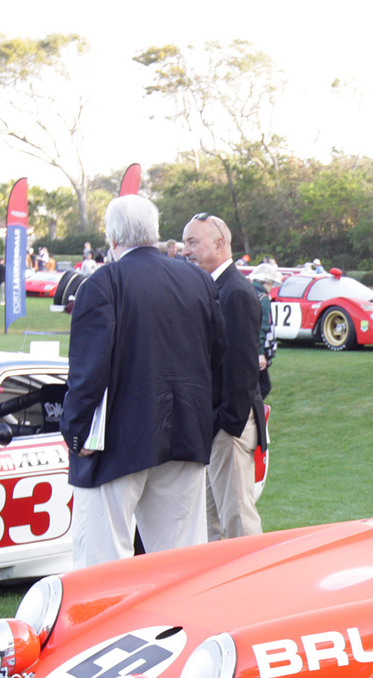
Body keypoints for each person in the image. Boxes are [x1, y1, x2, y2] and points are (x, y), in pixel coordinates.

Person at [60, 194, 226, 569]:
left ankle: (105, 628)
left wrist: (75, 431)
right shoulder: (197, 280)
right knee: (181, 561)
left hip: (120, 438)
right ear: (153, 233)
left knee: (102, 559)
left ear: (113, 238)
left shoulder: (104, 284)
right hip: (185, 432)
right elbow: (217, 355)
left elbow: (88, 370)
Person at [183, 212, 267, 542]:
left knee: (237, 520)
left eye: (193, 242)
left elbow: (242, 369)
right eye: (185, 242)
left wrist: (227, 426)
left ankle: (252, 587)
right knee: (211, 521)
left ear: (219, 244)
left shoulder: (236, 293)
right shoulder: (215, 287)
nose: (185, 250)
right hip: (215, 426)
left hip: (229, 427)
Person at [249, 262, 282, 398]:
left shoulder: (249, 292)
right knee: (263, 387)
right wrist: (260, 353)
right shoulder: (263, 299)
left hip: (247, 346)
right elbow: (262, 327)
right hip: (256, 349)